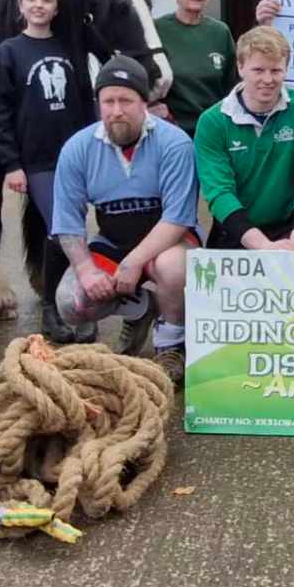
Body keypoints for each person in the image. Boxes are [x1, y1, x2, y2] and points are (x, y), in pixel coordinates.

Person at [50, 55, 201, 383]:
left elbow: (178, 217)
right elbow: (67, 223)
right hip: (114, 239)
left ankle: (171, 343)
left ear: (144, 102)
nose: (116, 110)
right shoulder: (77, 148)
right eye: (108, 101)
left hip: (169, 240)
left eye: (126, 100)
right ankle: (141, 307)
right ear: (98, 103)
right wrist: (88, 271)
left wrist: (134, 263)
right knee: (72, 303)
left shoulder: (174, 143)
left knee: (173, 270)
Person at [0, 0, 94, 344]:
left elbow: (86, 101)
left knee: (75, 228)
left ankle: (78, 301)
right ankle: (52, 307)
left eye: (46, 0)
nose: (39, 5)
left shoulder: (69, 49)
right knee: (60, 229)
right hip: (37, 161)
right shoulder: (10, 52)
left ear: (56, 7)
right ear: (21, 5)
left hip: (74, 157)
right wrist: (11, 164)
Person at [194, 26, 294, 252]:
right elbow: (219, 192)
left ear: (286, 69)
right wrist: (263, 247)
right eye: (258, 70)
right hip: (236, 229)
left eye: (276, 70)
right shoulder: (212, 121)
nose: (268, 79)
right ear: (240, 67)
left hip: (293, 229)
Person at [152, 0, 238, 135]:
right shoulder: (156, 30)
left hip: (214, 131)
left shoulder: (220, 32)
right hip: (170, 131)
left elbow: (233, 85)